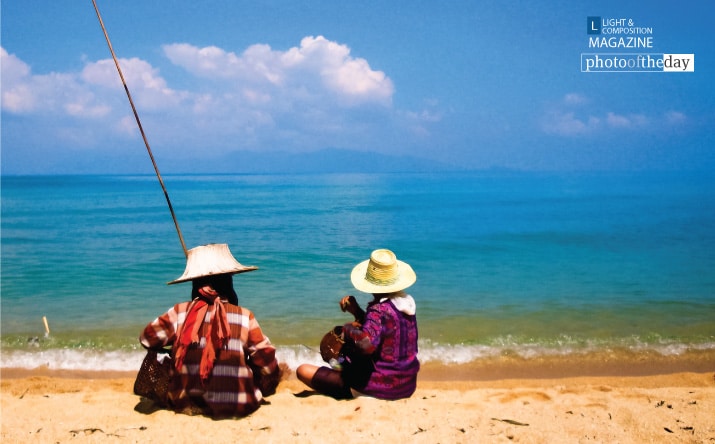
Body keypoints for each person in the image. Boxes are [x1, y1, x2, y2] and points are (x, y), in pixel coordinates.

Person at [139, 243, 280, 418]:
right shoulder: (245, 316)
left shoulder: (180, 312)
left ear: (195, 285)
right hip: (239, 403)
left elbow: (147, 338)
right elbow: (266, 359)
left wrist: (178, 347)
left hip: (184, 402)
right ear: (228, 284)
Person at [297, 249, 419, 400]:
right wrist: (357, 312)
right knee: (340, 363)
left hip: (379, 388)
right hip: (406, 386)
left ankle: (348, 383)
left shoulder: (378, 311)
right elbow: (382, 330)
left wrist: (348, 329)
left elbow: (365, 346)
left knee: (303, 370)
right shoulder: (405, 305)